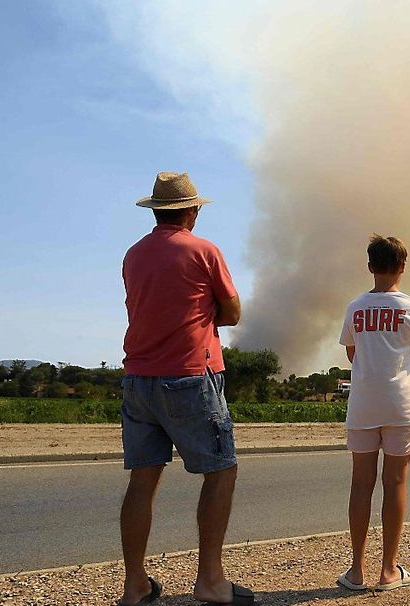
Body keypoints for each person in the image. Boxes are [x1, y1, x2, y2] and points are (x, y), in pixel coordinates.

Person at [118, 172, 255, 606]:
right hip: (190, 376)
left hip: (138, 379)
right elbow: (232, 313)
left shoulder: (133, 255)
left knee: (143, 480)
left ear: (156, 211)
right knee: (220, 470)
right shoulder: (203, 250)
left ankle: (135, 585)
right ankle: (211, 580)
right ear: (191, 211)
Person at [337, 234, 410, 593]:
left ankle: (357, 570)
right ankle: (389, 570)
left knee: (361, 484)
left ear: (370, 266)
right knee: (396, 484)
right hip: (401, 405)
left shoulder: (355, 308)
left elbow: (351, 353)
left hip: (363, 404)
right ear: (403, 267)